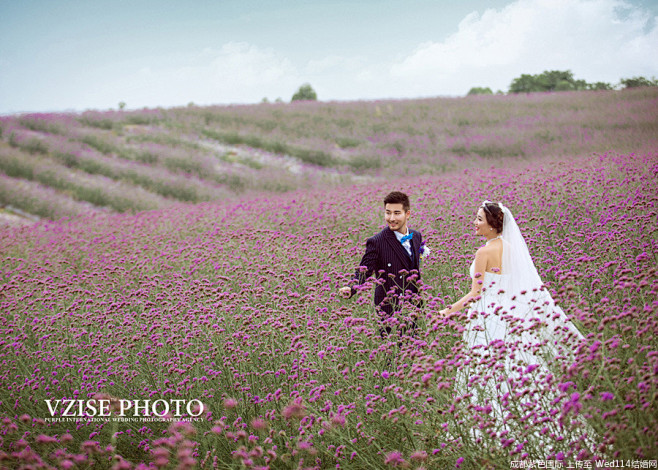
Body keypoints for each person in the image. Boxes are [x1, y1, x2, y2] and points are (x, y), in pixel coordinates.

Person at [438, 201, 589, 454]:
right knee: (514, 369)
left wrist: (449, 310)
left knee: (484, 372)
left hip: (487, 317)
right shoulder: (510, 248)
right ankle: (531, 421)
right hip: (509, 316)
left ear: (492, 224)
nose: (474, 223)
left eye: (478, 219)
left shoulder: (483, 253)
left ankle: (490, 432)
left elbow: (476, 294)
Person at [339, 191, 424, 337]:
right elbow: (364, 270)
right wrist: (352, 287)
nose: (391, 218)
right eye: (388, 213)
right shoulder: (377, 242)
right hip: (389, 307)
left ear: (407, 214)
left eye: (397, 213)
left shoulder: (416, 236)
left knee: (414, 351)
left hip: (413, 305)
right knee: (392, 353)